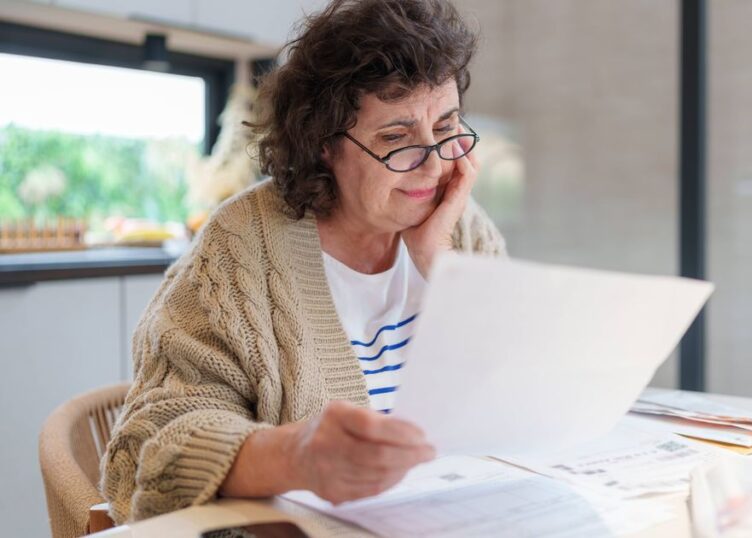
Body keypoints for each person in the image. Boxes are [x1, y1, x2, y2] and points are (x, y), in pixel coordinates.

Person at [99, 0, 505, 523]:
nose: (433, 163)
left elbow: (523, 390)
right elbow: (150, 451)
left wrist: (446, 269)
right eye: (396, 138)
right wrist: (297, 456)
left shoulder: (461, 225)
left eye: (446, 127)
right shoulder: (240, 249)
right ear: (322, 146)